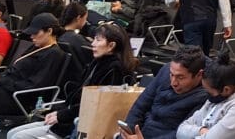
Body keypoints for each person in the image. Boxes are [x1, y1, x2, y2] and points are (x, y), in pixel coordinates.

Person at [7, 24, 138, 139]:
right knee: (12, 133)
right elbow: (79, 98)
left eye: (98, 40)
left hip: (81, 126)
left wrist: (61, 115)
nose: (92, 44)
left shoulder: (115, 70)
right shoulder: (98, 63)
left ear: (111, 46)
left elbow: (95, 107)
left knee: (18, 136)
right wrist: (59, 112)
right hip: (72, 118)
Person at [118, 45, 208, 139]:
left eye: (180, 77)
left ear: (199, 75)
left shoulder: (205, 97)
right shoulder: (166, 70)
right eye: (171, 75)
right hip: (142, 130)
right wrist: (128, 132)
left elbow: (182, 133)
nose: (173, 82)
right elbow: (140, 106)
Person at [175, 53, 235, 139]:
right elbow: (181, 130)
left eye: (209, 91)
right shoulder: (217, 97)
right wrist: (201, 131)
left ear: (226, 90)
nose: (207, 95)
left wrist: (194, 132)